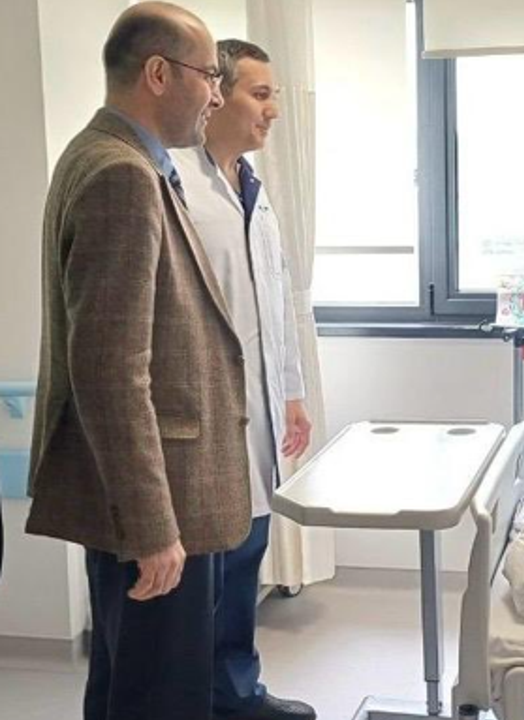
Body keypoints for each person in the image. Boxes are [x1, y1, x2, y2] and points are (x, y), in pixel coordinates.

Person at [23, 4, 246, 719]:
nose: (217, 95)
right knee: (159, 698)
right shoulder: (121, 174)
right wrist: (153, 528)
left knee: (129, 689)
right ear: (158, 73)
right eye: (209, 75)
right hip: (158, 501)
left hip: (151, 494)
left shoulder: (104, 155)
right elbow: (111, 368)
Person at [170, 39, 313, 720]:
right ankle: (194, 699)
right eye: (260, 94)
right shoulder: (178, 185)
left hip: (258, 413)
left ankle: (237, 692)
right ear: (216, 93)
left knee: (247, 556)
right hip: (202, 421)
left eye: (273, 95)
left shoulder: (254, 190)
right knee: (201, 579)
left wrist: (291, 392)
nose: (273, 110)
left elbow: (275, 303)